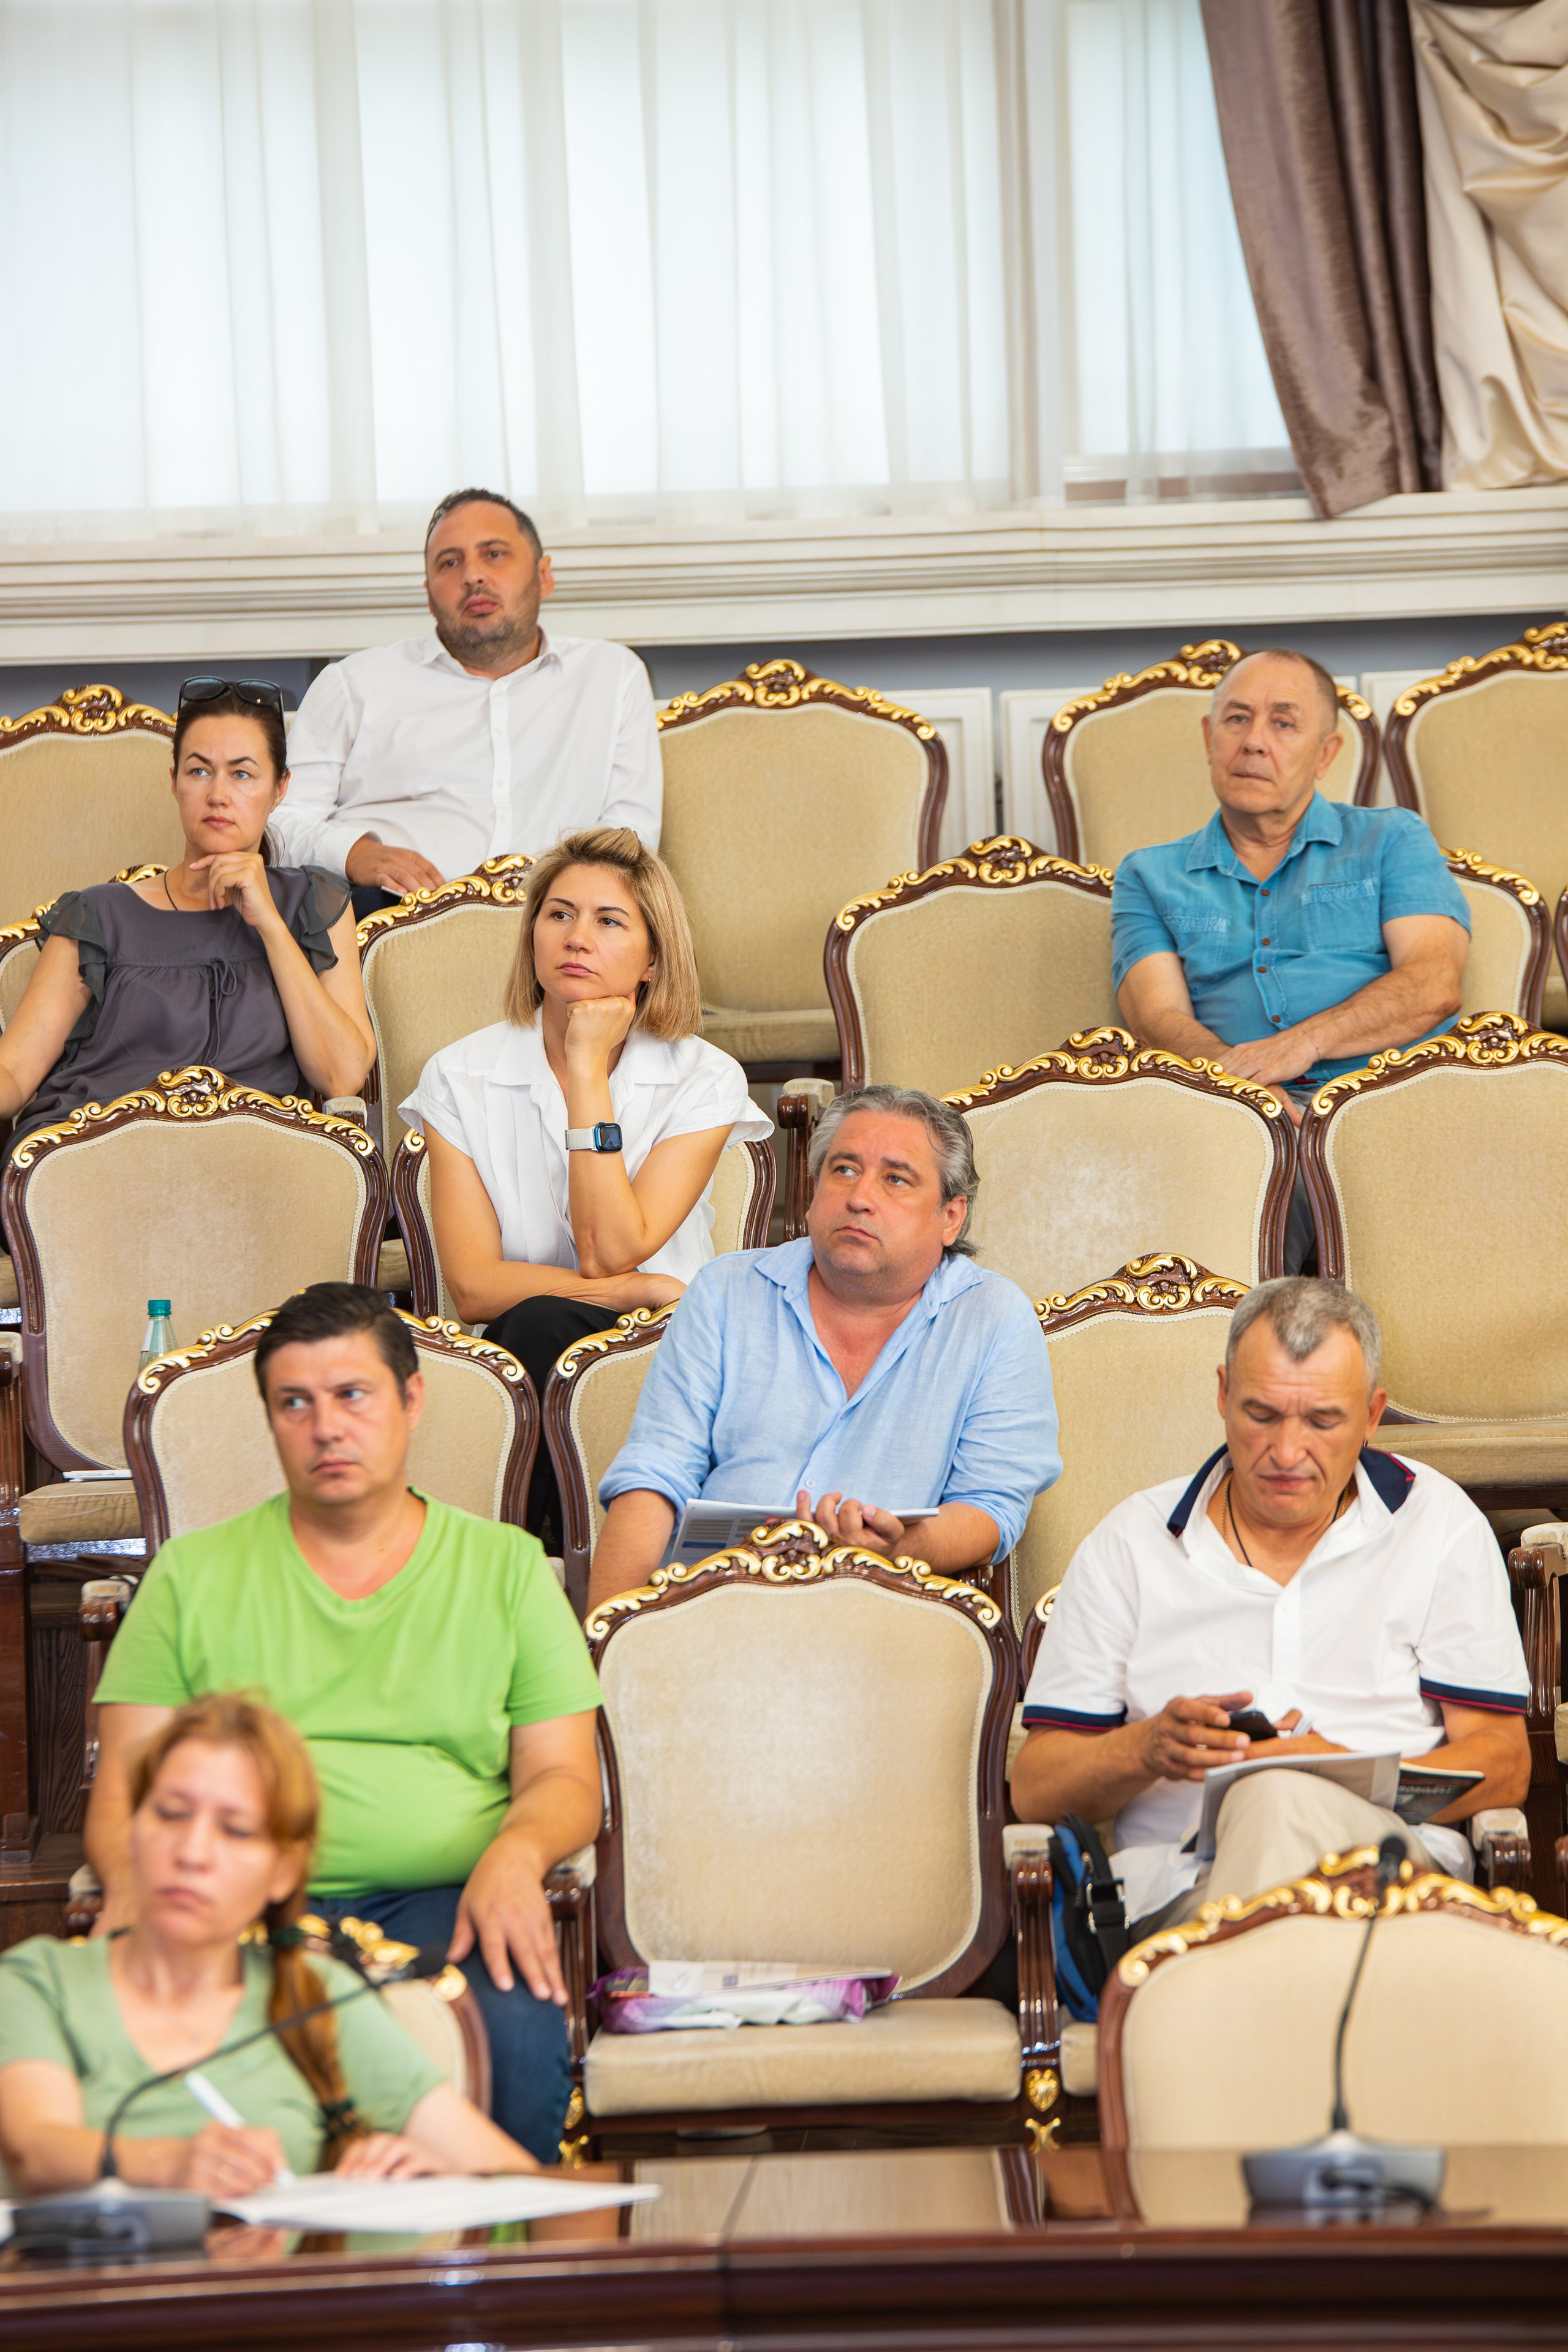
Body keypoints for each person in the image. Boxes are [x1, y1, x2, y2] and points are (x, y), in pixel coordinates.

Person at [84, 1284, 603, 2166]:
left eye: (352, 1396)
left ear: (410, 1401)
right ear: (272, 1419)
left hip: (455, 1898)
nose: (326, 1427)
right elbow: (125, 1783)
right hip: (239, 1895)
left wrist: (516, 1855)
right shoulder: (191, 1576)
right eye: (295, 1403)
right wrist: (133, 1897)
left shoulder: (508, 1569)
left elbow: (564, 1778)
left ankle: (504, 2286)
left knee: (514, 2024)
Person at [1012, 1278, 1529, 1934]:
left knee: (1280, 1795)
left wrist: (1337, 1773)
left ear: (1372, 1416)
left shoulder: (1439, 1524)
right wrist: (1147, 1750)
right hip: (1183, 1895)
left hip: (1390, 1885)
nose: (1287, 1454)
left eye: (1322, 1421)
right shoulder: (1131, 1542)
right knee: (1271, 1807)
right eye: (1261, 1416)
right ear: (1223, 1394)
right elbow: (1034, 1788)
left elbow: (1506, 1764)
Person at [0, 1695, 537, 2195]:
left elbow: (517, 2178)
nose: (192, 1851)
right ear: (133, 1831)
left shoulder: (317, 1999)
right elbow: (35, 2151)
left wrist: (441, 2180)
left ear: (284, 1871)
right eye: (170, 1813)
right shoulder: (37, 1981)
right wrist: (174, 2164)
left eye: (234, 1830)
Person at [401, 826, 771, 1546]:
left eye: (608, 922)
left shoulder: (703, 1075)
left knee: (537, 1321)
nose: (576, 938)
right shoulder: (458, 1074)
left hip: (672, 1344)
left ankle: (520, 1564)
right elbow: (476, 1289)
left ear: (653, 957)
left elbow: (611, 1246)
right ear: (532, 932)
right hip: (536, 1334)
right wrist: (630, 1291)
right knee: (533, 1326)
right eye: (559, 914)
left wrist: (584, 1071)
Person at [588, 1085, 1062, 1615]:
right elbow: (655, 1475)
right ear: (812, 1194)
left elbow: (990, 1508)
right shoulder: (726, 1292)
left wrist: (896, 1550)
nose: (860, 1196)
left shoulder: (994, 1318)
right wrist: (609, 1635)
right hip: (709, 1609)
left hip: (881, 1617)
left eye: (896, 1179)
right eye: (843, 1170)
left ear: (951, 1217)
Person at [1110, 648, 1471, 1269]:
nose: (1253, 743)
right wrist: (1247, 1092)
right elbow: (1154, 1017)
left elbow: (1432, 983)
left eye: (1282, 723)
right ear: (1207, 737)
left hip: (1388, 1107)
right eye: (1235, 720)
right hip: (1235, 1121)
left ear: (1326, 753)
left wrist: (1298, 1047)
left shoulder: (1392, 839)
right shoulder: (1149, 874)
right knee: (1240, 1175)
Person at [0, 677, 374, 1161]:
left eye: (242, 775)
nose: (218, 794)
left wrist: (270, 926)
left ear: (280, 788)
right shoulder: (99, 915)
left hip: (250, 1174)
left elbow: (342, 1075)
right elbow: (14, 1073)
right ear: (174, 781)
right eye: (199, 772)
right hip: (94, 1163)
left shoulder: (314, 904)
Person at [274, 490, 662, 919]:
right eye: (450, 563)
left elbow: (633, 840)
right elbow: (277, 824)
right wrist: (355, 854)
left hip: (554, 926)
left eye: (494, 554)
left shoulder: (612, 676)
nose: (473, 576)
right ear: (428, 593)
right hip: (386, 918)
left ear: (544, 575)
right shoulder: (353, 684)